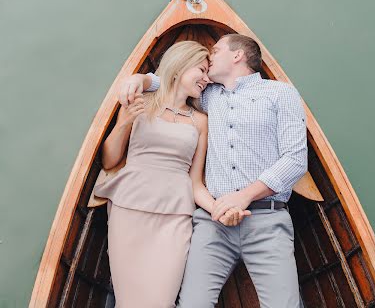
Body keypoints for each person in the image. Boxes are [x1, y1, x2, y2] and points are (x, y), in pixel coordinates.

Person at [121, 33, 308, 308]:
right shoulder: (208, 96)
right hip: (212, 222)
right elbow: (174, 80)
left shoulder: (280, 93)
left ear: (237, 55)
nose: (210, 57)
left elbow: (295, 160)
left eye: (216, 50)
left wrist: (243, 196)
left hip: (267, 221)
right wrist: (140, 79)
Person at [94, 40, 244, 308]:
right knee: (129, 301)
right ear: (180, 66)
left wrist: (221, 209)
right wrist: (125, 122)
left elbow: (195, 183)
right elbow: (109, 160)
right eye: (201, 70)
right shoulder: (141, 102)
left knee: (161, 300)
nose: (207, 79)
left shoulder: (201, 121)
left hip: (175, 216)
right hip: (130, 209)